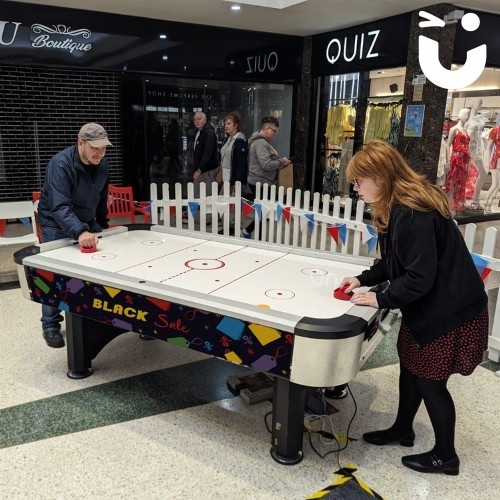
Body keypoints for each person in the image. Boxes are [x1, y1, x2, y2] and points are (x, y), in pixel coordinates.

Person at [340, 140, 488, 476]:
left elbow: (419, 278)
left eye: (360, 181)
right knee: (411, 367)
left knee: (430, 381)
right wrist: (362, 279)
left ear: (381, 176)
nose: (356, 188)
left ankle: (446, 457)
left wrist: (380, 298)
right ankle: (402, 430)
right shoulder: (396, 209)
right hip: (431, 307)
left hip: (451, 312)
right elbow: (394, 263)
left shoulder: (412, 214)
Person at [37, 123, 112, 348]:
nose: (100, 153)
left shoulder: (102, 164)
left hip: (86, 221)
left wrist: (101, 225)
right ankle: (50, 324)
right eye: (95, 148)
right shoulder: (60, 164)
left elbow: (101, 197)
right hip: (55, 224)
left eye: (104, 148)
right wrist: (80, 231)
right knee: (54, 275)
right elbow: (59, 206)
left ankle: (88, 315)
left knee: (94, 269)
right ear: (80, 143)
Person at [241, 116, 292, 238]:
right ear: (267, 129)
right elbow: (266, 164)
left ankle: (250, 232)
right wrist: (281, 162)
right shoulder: (260, 143)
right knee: (266, 212)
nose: (276, 134)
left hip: (261, 182)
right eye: (274, 130)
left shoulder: (261, 142)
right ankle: (249, 232)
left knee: (264, 211)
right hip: (261, 182)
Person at [445, 108, 471, 215]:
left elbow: (467, 146)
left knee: (462, 184)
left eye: (468, 115)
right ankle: (449, 206)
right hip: (456, 160)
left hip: (464, 161)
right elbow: (448, 145)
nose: (467, 117)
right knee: (453, 182)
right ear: (460, 115)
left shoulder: (466, 130)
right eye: (466, 114)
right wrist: (447, 160)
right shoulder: (454, 129)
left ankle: (459, 206)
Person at [464, 98, 486, 212]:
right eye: (478, 102)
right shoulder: (467, 120)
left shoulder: (479, 118)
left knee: (483, 173)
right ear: (472, 103)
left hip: (477, 150)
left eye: (481, 103)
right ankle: (461, 200)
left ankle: (475, 199)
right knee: (464, 174)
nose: (480, 105)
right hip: (469, 150)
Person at [219, 111, 248, 192]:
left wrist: (237, 182)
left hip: (232, 179)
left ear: (235, 125)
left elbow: (241, 164)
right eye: (225, 124)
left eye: (228, 124)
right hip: (224, 177)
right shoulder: (226, 139)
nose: (226, 126)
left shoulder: (240, 140)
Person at [192, 111, 219, 199]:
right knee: (197, 196)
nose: (197, 121)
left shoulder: (209, 133)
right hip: (201, 171)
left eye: (199, 119)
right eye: (195, 119)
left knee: (208, 198)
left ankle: (208, 213)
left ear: (205, 120)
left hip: (207, 171)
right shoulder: (199, 132)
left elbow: (208, 153)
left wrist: (199, 169)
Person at [483, 126, 500, 213]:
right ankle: (485, 204)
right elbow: (489, 147)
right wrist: (488, 160)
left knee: (498, 186)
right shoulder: (496, 130)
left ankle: (489, 205)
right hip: (496, 160)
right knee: (495, 184)